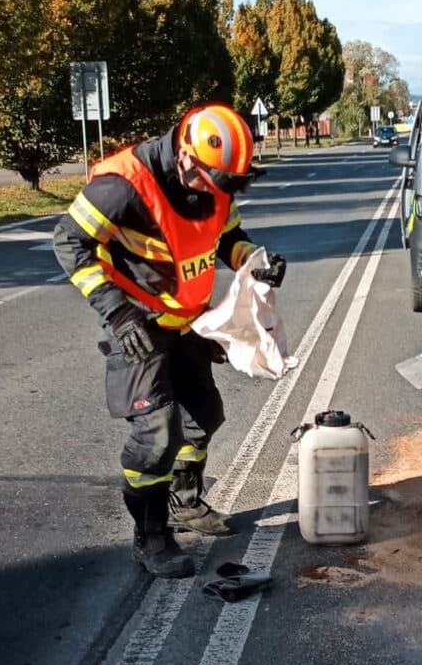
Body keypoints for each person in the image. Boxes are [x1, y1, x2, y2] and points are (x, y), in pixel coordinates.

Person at [53, 104, 286, 579]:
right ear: (184, 157)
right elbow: (68, 242)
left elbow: (228, 236)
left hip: (186, 323)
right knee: (156, 434)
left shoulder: (215, 183)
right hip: (136, 325)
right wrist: (117, 314)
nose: (215, 193)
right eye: (210, 182)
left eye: (226, 185)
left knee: (202, 418)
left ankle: (185, 503)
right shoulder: (123, 186)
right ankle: (152, 535)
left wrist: (253, 259)